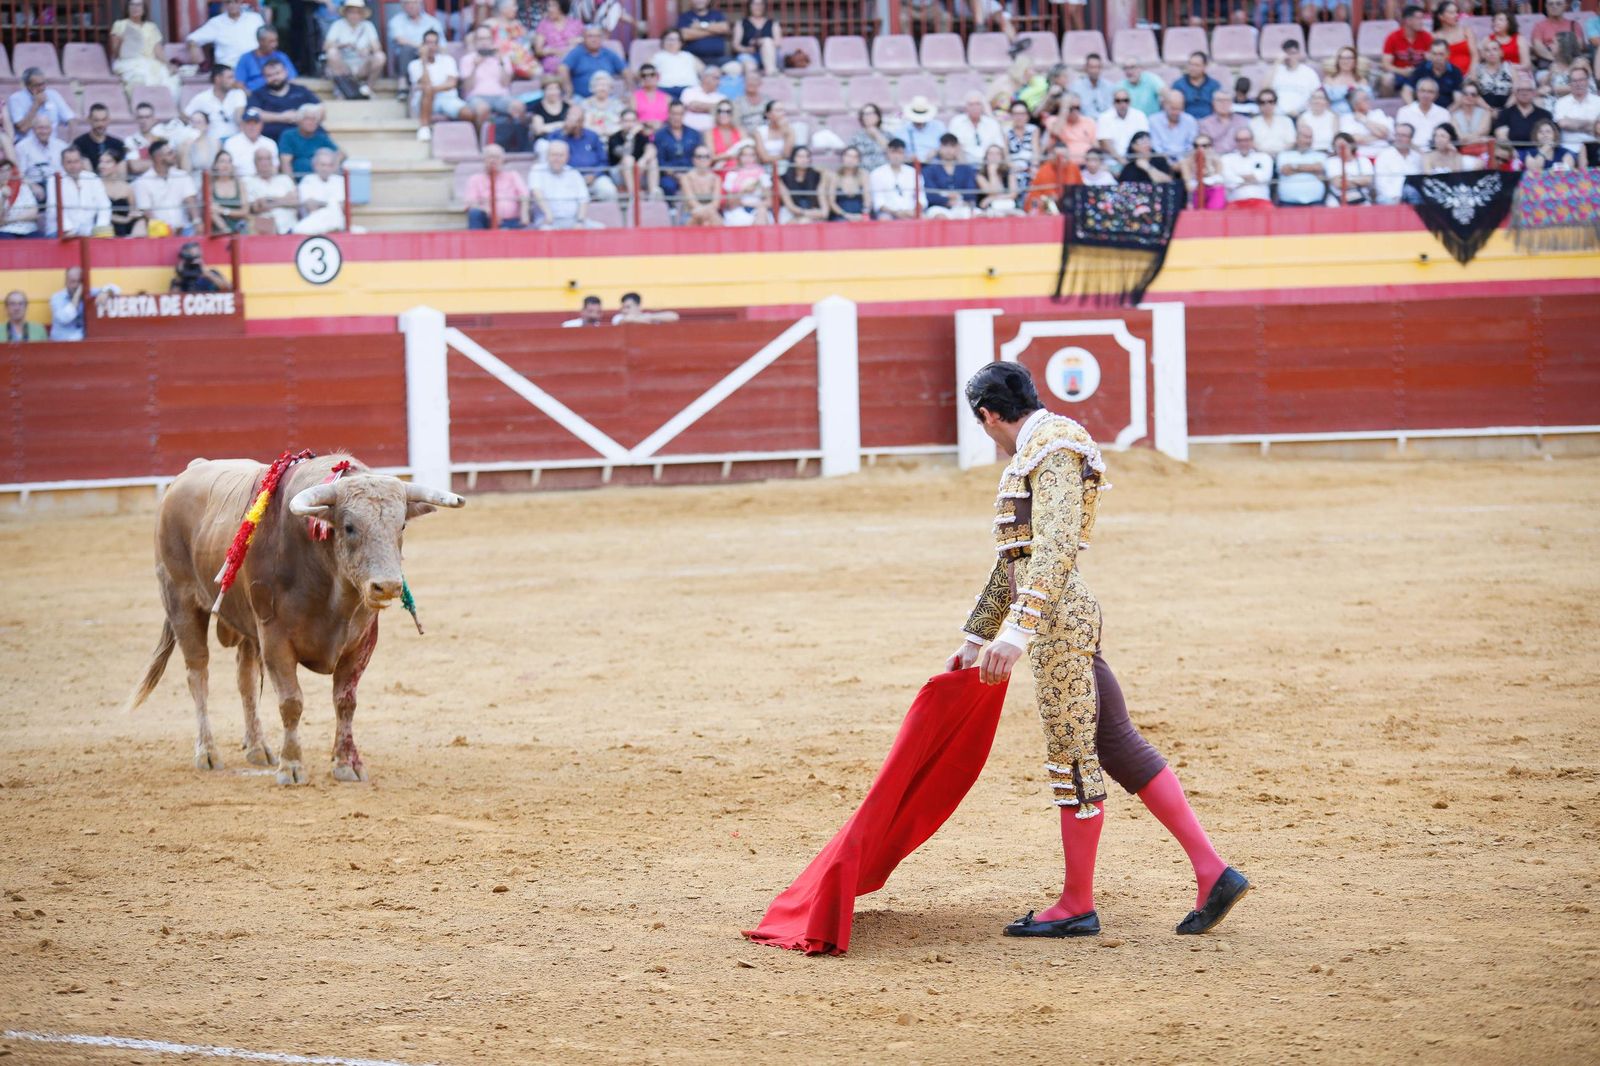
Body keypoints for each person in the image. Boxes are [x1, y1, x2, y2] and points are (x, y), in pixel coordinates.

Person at [949, 363, 1249, 941]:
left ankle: (1076, 903)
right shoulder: (1043, 445)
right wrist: (978, 633)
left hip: (1057, 619)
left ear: (987, 414)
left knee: (1073, 756)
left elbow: (1056, 545)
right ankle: (1213, 872)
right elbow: (1018, 556)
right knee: (1116, 743)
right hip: (1056, 614)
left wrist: (1017, 631)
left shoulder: (1052, 446)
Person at [460, 25, 527, 132]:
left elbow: (506, 83)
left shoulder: (502, 58)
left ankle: (516, 142)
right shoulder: (467, 59)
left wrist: (501, 63)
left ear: (492, 40)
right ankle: (480, 142)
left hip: (500, 96)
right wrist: (475, 66)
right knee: (482, 109)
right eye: (481, 39)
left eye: (487, 38)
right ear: (475, 41)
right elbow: (467, 87)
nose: (484, 42)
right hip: (477, 97)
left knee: (518, 106)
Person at [111, 0, 179, 94]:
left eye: (139, 5)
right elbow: (115, 54)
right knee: (139, 79)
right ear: (127, 8)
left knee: (171, 79)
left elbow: (158, 50)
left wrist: (168, 64)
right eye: (132, 5)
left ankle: (165, 106)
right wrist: (121, 42)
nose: (135, 8)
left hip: (151, 62)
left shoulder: (151, 27)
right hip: (127, 63)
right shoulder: (120, 25)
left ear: (144, 9)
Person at [134, 139, 200, 234]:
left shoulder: (182, 175)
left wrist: (197, 221)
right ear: (158, 158)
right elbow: (147, 212)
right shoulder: (142, 182)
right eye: (170, 153)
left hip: (184, 228)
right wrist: (166, 229)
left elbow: (191, 200)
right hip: (158, 232)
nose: (174, 155)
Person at [409, 30, 466, 140]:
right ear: (422, 45)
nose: (431, 46)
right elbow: (426, 83)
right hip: (424, 101)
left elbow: (451, 84)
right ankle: (424, 128)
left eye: (434, 43)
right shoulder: (414, 65)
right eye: (428, 43)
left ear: (438, 45)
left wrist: (431, 89)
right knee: (428, 92)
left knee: (468, 113)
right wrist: (424, 61)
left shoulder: (448, 60)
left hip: (448, 99)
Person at [550, 107, 616, 200]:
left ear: (582, 121)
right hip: (567, 177)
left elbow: (603, 161)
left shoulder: (592, 136)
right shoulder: (558, 135)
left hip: (594, 177)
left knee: (608, 190)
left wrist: (594, 175)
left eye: (577, 120)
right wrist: (565, 132)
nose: (574, 124)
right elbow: (552, 151)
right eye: (570, 119)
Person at [43, 147, 111, 238]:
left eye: (76, 161)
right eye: (69, 162)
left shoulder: (93, 178)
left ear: (81, 162)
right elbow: (54, 209)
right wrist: (69, 230)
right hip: (59, 232)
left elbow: (104, 205)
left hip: (88, 233)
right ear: (62, 164)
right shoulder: (53, 180)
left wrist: (100, 229)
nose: (73, 166)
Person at [325, 0, 386, 99]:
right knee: (332, 53)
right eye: (351, 12)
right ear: (346, 13)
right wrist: (342, 45)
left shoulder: (368, 26)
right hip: (344, 64)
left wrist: (367, 49)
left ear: (362, 14)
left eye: (358, 12)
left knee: (380, 56)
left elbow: (377, 47)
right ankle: (342, 88)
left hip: (362, 65)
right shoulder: (338, 25)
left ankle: (368, 88)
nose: (354, 15)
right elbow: (326, 46)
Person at [530, 139, 598, 228]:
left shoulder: (574, 173)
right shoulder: (537, 170)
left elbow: (583, 199)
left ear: (567, 157)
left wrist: (580, 221)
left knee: (601, 229)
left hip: (573, 219)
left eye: (561, 155)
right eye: (554, 155)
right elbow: (536, 192)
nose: (557, 159)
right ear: (547, 156)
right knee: (546, 231)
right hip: (547, 220)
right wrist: (548, 213)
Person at [250, 59, 321, 141]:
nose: (275, 78)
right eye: (269, 75)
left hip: (305, 136)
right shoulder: (258, 94)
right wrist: (281, 117)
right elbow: (253, 113)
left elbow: (320, 108)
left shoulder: (301, 90)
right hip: (273, 139)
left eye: (277, 73)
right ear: (264, 77)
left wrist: (301, 117)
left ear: (286, 72)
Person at [187, 0, 266, 70]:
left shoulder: (255, 18)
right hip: (227, 70)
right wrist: (203, 64)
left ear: (241, 1)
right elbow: (192, 39)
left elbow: (266, 39)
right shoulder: (216, 23)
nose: (232, 5)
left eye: (236, 1)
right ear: (224, 3)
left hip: (253, 67)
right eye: (228, 2)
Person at [465, 143, 529, 227]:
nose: (493, 160)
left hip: (511, 220)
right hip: (488, 220)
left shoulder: (512, 176)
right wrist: (489, 211)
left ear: (503, 160)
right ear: (484, 160)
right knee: (474, 213)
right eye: (490, 157)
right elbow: (471, 203)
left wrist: (524, 214)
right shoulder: (475, 179)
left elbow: (524, 195)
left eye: (497, 157)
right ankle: (477, 239)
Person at [388, 0, 443, 94]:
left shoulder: (432, 21)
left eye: (414, 3)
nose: (411, 6)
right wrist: (421, 47)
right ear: (402, 6)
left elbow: (442, 43)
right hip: (408, 55)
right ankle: (403, 83)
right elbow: (400, 40)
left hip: (429, 53)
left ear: (421, 5)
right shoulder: (396, 20)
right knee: (406, 49)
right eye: (407, 3)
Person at [652, 100, 702, 201]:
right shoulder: (660, 135)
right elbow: (660, 160)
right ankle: (672, 211)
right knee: (668, 185)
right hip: (670, 175)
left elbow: (699, 157)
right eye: (674, 113)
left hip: (691, 173)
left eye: (680, 114)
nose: (677, 117)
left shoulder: (694, 134)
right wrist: (675, 175)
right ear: (669, 114)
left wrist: (689, 175)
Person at [7, 68, 75, 140]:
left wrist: (71, 143)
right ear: (27, 85)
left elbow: (71, 120)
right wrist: (36, 105)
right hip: (26, 144)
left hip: (51, 143)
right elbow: (23, 129)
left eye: (43, 83)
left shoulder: (53, 95)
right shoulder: (16, 99)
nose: (42, 88)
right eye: (38, 85)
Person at [921, 133, 978, 219]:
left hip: (962, 205)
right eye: (945, 146)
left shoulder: (966, 169)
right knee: (940, 217)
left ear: (957, 148)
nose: (948, 150)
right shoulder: (929, 170)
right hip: (938, 207)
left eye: (952, 146)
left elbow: (971, 192)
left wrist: (959, 198)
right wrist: (947, 199)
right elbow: (930, 195)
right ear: (939, 148)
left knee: (980, 216)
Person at [50, 267, 114, 341]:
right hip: (61, 344)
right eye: (73, 282)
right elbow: (65, 318)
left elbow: (114, 288)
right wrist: (77, 295)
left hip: (82, 344)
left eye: (79, 281)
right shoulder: (57, 297)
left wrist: (106, 292)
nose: (76, 285)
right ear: (66, 282)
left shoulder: (87, 292)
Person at [563, 25, 627, 100]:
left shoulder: (609, 54)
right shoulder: (577, 53)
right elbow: (563, 68)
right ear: (584, 38)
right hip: (581, 98)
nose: (594, 39)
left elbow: (626, 70)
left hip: (606, 98)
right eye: (590, 36)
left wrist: (628, 92)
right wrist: (568, 90)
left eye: (598, 36)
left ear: (602, 39)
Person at [1382, 4, 1434, 96]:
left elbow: (1433, 61)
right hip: (1399, 74)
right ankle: (1388, 107)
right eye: (1419, 18)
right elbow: (1386, 65)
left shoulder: (1427, 37)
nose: (1422, 22)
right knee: (1387, 79)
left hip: (1420, 75)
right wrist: (1402, 71)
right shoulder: (1393, 37)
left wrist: (1429, 58)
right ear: (1408, 20)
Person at [186, 65, 248, 141]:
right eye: (230, 77)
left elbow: (239, 117)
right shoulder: (202, 97)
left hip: (235, 139)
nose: (234, 81)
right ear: (218, 79)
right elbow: (186, 115)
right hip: (213, 140)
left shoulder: (238, 93)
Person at [245, 144, 298, 232]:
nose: (264, 162)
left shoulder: (285, 179)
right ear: (255, 163)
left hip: (290, 228)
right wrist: (284, 200)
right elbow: (256, 208)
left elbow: (295, 201)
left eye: (268, 159)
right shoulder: (248, 182)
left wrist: (268, 200)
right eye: (260, 159)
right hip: (265, 232)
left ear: (272, 161)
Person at [868, 138, 924, 219]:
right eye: (893, 152)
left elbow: (921, 198)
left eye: (900, 152)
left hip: (911, 212)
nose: (896, 156)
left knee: (925, 218)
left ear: (904, 154)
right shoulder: (877, 173)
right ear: (887, 153)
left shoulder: (913, 173)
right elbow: (878, 202)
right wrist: (896, 213)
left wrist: (913, 211)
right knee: (884, 219)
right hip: (888, 213)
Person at [279, 105, 341, 177]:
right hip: (298, 177)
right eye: (307, 119)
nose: (311, 122)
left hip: (319, 179)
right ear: (299, 120)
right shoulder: (289, 135)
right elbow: (285, 163)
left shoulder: (321, 137)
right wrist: (291, 184)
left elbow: (341, 153)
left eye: (314, 119)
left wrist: (333, 164)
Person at [17, 116, 68, 201]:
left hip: (58, 185)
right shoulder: (22, 147)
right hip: (33, 186)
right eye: (40, 128)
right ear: (33, 129)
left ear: (52, 129)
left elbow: (66, 172)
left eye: (47, 128)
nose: (44, 131)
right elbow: (19, 174)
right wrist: (32, 186)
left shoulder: (62, 146)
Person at [1493, 73, 1553, 146]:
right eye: (1521, 90)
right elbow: (1502, 138)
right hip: (1512, 153)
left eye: (1528, 90)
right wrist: (1513, 153)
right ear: (1515, 93)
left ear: (1534, 93)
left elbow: (1550, 139)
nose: (1524, 93)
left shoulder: (1545, 115)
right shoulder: (1505, 114)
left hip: (1539, 152)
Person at [1276, 122, 1327, 204]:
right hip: (1288, 203)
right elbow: (1285, 170)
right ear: (1297, 138)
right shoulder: (1284, 155)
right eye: (1305, 137)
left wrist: (1294, 167)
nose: (1308, 141)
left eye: (1310, 137)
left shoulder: (1320, 155)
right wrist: (1311, 169)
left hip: (1315, 202)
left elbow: (1319, 168)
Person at [1266, 40, 1321, 117]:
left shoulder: (1309, 73)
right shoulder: (1276, 71)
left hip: (1301, 115)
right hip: (1277, 115)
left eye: (1292, 53)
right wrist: (1277, 62)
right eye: (1286, 53)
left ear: (1299, 54)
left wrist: (1301, 111)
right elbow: (1264, 90)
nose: (1289, 57)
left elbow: (1317, 96)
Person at [719, 142, 770, 225]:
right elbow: (729, 204)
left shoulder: (762, 175)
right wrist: (744, 191)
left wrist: (755, 205)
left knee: (762, 212)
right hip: (737, 211)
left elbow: (769, 201)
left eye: (751, 155)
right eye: (744, 155)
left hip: (758, 210)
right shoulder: (732, 175)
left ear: (756, 157)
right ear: (739, 157)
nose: (748, 158)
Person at [1220, 126, 1272, 206]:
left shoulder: (1264, 157)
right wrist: (1252, 178)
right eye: (1239, 140)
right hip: (1235, 203)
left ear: (1252, 140)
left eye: (1246, 140)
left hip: (1261, 202)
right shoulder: (1226, 159)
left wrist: (1239, 177)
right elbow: (1230, 182)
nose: (1243, 143)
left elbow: (1264, 178)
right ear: (1235, 141)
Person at [1026, 139, 1084, 210]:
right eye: (1058, 157)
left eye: (1064, 157)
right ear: (1052, 156)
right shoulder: (1044, 170)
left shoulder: (1073, 168)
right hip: (1048, 205)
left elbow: (1080, 188)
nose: (1061, 160)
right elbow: (1046, 194)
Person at [949, 92, 1005, 166]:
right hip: (964, 164)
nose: (975, 107)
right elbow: (951, 146)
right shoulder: (956, 122)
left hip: (989, 164)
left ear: (982, 106)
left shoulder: (992, 123)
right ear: (966, 107)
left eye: (978, 104)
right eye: (971, 104)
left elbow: (1000, 146)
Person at [1402, 41, 1463, 107]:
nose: (1437, 58)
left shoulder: (1455, 72)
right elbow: (1406, 91)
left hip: (1446, 112)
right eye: (1434, 54)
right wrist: (1415, 111)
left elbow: (1458, 100)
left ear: (1448, 54)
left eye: (1441, 54)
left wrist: (1446, 114)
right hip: (1422, 111)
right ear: (1430, 54)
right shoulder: (1422, 68)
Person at [1374, 122, 1424, 203]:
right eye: (1397, 135)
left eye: (1403, 136)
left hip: (1413, 198)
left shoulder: (1417, 157)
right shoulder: (1384, 155)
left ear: (1411, 138)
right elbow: (1380, 183)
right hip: (1390, 198)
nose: (1399, 138)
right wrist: (1397, 197)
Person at [1096, 88, 1149, 165]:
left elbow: (1144, 140)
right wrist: (1122, 161)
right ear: (1113, 102)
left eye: (1125, 100)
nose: (1122, 104)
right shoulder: (1104, 117)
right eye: (1118, 101)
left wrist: (1131, 163)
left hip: (1137, 161)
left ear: (1130, 101)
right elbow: (1105, 143)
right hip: (1112, 162)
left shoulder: (1140, 116)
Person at [235, 26, 296, 93]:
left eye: (276, 40)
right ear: (261, 41)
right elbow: (239, 84)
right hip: (254, 97)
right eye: (271, 41)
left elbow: (291, 80)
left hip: (279, 95)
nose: (275, 45)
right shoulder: (246, 58)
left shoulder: (281, 57)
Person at [1554, 65, 1600, 153]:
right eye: (1574, 81)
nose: (1578, 84)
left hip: (1594, 146)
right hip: (1569, 149)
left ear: (1587, 81)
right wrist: (1591, 124)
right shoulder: (1561, 102)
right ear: (1569, 83)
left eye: (1581, 80)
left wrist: (1573, 123)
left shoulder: (1598, 102)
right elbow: (1563, 124)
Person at [677, 0, 734, 70]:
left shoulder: (717, 14)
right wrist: (714, 30)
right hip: (695, 59)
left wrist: (701, 25)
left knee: (735, 68)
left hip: (719, 58)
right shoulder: (685, 16)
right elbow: (685, 35)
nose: (699, 1)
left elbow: (725, 28)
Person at [533, 0, 583, 78]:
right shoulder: (544, 25)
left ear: (562, 7)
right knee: (561, 66)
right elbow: (538, 50)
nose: (549, 9)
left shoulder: (575, 23)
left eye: (553, 6)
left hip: (573, 56)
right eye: (549, 6)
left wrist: (578, 41)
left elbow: (585, 41)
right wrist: (555, 51)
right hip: (553, 59)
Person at [1529, 0, 1580, 75]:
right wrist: (1556, 60)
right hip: (1548, 62)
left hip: (1571, 62)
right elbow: (1538, 46)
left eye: (1558, 3)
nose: (1554, 6)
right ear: (1546, 6)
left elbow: (1579, 45)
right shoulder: (1539, 26)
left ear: (1565, 5)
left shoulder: (1573, 24)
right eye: (1550, 4)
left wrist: (1565, 60)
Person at [778, 145, 826, 223]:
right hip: (791, 214)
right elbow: (790, 206)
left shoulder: (817, 176)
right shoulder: (783, 178)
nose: (804, 160)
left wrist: (817, 213)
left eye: (807, 156)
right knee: (804, 221)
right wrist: (807, 213)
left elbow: (824, 211)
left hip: (813, 214)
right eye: (800, 156)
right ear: (793, 158)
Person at [1396, 78, 1450, 148]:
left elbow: (1445, 138)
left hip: (1435, 153)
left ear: (1436, 95)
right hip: (1410, 151)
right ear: (1417, 92)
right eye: (1422, 91)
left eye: (1430, 92)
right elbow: (1400, 137)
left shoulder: (1444, 113)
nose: (1425, 95)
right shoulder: (1404, 111)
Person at [73, 104, 127, 173]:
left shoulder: (118, 144)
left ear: (108, 120)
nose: (100, 124)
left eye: (103, 120)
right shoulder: (79, 144)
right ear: (89, 120)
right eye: (96, 120)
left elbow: (122, 176)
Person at [733, 0, 781, 76]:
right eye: (754, 4)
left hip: (770, 55)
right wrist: (746, 49)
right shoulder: (741, 23)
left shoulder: (773, 23)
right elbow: (736, 45)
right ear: (749, 6)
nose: (758, 7)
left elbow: (778, 43)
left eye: (760, 4)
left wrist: (761, 42)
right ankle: (770, 73)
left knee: (767, 41)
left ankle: (770, 71)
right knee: (750, 67)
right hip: (748, 55)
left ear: (764, 6)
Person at [1341, 89, 1395, 157]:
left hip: (1383, 153)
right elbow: (1353, 139)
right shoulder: (1347, 118)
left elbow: (1385, 132)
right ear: (1355, 104)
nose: (1369, 101)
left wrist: (1364, 120)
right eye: (1365, 99)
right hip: (1361, 155)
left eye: (1368, 98)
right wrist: (1379, 137)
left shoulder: (1378, 113)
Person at [1150, 90, 1199, 163]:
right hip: (1161, 161)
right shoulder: (1154, 120)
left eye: (1179, 109)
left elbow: (1191, 146)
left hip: (1186, 162)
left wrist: (1182, 161)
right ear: (1164, 105)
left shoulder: (1190, 120)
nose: (1176, 112)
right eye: (1173, 109)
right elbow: (1156, 147)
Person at [652, 29, 703, 98]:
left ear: (681, 43)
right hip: (665, 89)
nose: (672, 42)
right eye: (669, 39)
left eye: (675, 40)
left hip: (689, 89)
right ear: (663, 41)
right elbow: (645, 70)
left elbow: (704, 70)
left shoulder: (688, 56)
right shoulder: (657, 56)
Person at [680, 145, 723, 224]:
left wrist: (705, 212)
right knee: (702, 219)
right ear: (693, 159)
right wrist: (704, 212)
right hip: (691, 214)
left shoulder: (716, 178)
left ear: (710, 159)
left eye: (706, 156)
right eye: (699, 156)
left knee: (708, 221)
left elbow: (716, 204)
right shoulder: (686, 177)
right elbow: (691, 202)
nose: (703, 159)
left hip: (711, 213)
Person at [1432, 1, 1477, 76]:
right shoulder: (1434, 36)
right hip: (1446, 78)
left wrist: (1472, 74)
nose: (1456, 15)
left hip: (1469, 76)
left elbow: (1475, 55)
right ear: (1441, 16)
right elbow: (1434, 61)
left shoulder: (1466, 31)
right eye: (1451, 13)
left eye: (1456, 12)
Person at [826, 145, 870, 221]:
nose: (851, 160)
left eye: (854, 157)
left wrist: (864, 214)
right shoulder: (835, 176)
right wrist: (845, 215)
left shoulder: (863, 175)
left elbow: (867, 199)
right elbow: (831, 202)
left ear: (859, 160)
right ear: (843, 158)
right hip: (840, 216)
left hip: (859, 215)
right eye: (848, 156)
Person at [99, 151, 138, 237]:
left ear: (117, 165)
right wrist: (124, 220)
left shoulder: (127, 188)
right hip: (104, 229)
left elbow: (133, 211)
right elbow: (97, 213)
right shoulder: (97, 185)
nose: (102, 165)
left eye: (108, 162)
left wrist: (128, 219)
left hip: (125, 229)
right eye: (101, 162)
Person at [897, 97, 948, 162]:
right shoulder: (901, 129)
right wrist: (907, 158)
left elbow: (948, 146)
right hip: (910, 166)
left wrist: (937, 151)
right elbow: (896, 150)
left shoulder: (939, 127)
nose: (919, 122)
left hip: (934, 166)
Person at [754, 100, 804, 166]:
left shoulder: (790, 130)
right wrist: (781, 157)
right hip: (765, 167)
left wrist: (786, 132)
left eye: (783, 110)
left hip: (786, 167)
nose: (782, 114)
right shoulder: (760, 131)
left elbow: (787, 154)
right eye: (778, 110)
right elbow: (763, 158)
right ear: (768, 114)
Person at [1173, 51, 1221, 120]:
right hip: (1185, 122)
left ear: (1205, 67)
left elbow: (1218, 108)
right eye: (1190, 64)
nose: (1192, 68)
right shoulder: (1179, 84)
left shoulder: (1214, 85)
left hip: (1209, 124)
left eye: (1196, 65)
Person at [1181, 135, 1226, 208]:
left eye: (1204, 146)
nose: (1200, 149)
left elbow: (1219, 181)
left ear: (1210, 147)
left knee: (1218, 189)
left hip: (1213, 193)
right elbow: (1188, 187)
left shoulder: (1217, 160)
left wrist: (1208, 165)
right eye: (1196, 146)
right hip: (1196, 194)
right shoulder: (1187, 162)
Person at [1249, 88, 1296, 156]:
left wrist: (1279, 154)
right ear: (1258, 104)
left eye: (1270, 101)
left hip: (1283, 156)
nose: (1267, 105)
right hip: (1260, 156)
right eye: (1263, 102)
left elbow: (1291, 142)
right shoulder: (1253, 123)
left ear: (1275, 103)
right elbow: (1252, 143)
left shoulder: (1286, 121)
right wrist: (1266, 154)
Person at [975, 143, 1019, 215]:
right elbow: (992, 192)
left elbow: (1013, 194)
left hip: (1008, 206)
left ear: (1002, 157)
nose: (994, 157)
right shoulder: (980, 175)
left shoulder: (1009, 172)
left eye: (997, 154)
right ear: (986, 157)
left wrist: (991, 199)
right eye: (991, 154)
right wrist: (992, 172)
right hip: (988, 209)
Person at [705, 100, 747, 176]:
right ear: (716, 113)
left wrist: (723, 156)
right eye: (720, 111)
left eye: (728, 111)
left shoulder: (740, 131)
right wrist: (732, 155)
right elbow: (711, 157)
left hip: (740, 173)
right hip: (718, 173)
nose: (723, 114)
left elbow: (747, 153)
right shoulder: (710, 133)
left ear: (733, 114)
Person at [681, 66, 727, 134]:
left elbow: (723, 112)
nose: (719, 82)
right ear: (705, 78)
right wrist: (715, 108)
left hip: (712, 134)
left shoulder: (722, 97)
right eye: (716, 78)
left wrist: (700, 106)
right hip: (688, 133)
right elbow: (692, 106)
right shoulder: (689, 91)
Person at [1069, 53, 1116, 118]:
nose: (1095, 71)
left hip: (1106, 123)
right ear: (1085, 68)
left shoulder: (1110, 86)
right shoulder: (1076, 87)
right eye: (1092, 67)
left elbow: (1112, 109)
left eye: (1097, 67)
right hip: (1084, 123)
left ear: (1101, 68)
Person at [1322, 47, 1366, 115]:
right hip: (1334, 117)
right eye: (1342, 58)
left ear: (1355, 61)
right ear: (1338, 61)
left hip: (1356, 117)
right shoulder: (1329, 80)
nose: (1345, 61)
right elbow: (1324, 103)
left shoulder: (1361, 81)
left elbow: (1366, 104)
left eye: (1349, 58)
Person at [1450, 84, 1493, 151]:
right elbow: (1458, 136)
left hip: (1481, 150)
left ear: (1477, 98)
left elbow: (1483, 132)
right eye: (1465, 94)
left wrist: (1465, 139)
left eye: (1473, 94)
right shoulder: (1454, 115)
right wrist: (1479, 139)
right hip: (1460, 151)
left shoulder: (1485, 113)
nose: (1469, 96)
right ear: (1461, 96)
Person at [850, 103, 891, 171]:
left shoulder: (888, 135)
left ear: (878, 116)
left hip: (884, 174)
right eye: (864, 114)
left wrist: (877, 134)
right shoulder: (856, 138)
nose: (867, 117)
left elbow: (892, 153)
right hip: (864, 175)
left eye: (870, 113)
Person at [582, 72, 624, 136]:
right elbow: (583, 125)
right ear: (592, 87)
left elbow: (624, 124)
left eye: (605, 85)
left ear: (610, 88)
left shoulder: (618, 105)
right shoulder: (585, 104)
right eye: (599, 85)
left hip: (613, 138)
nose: (602, 88)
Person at [732, 69, 771, 134]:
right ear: (744, 82)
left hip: (766, 134)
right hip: (745, 136)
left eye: (754, 79)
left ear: (760, 83)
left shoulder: (767, 100)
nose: (751, 82)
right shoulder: (737, 102)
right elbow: (736, 124)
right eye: (748, 79)